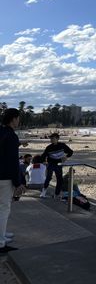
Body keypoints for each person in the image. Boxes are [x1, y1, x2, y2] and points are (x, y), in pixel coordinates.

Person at [0, 108, 28, 253]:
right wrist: (18, 182)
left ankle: (2, 235)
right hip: (4, 178)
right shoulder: (11, 135)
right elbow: (12, 161)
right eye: (18, 118)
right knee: (4, 209)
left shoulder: (2, 132)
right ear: (13, 119)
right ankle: (1, 243)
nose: (19, 121)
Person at [40, 133, 73, 198]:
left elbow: (71, 152)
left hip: (59, 164)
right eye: (51, 138)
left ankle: (56, 194)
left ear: (57, 139)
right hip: (51, 163)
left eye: (53, 138)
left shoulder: (62, 145)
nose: (51, 140)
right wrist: (43, 161)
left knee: (59, 179)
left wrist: (66, 157)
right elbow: (43, 156)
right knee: (48, 177)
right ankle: (43, 192)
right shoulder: (49, 147)